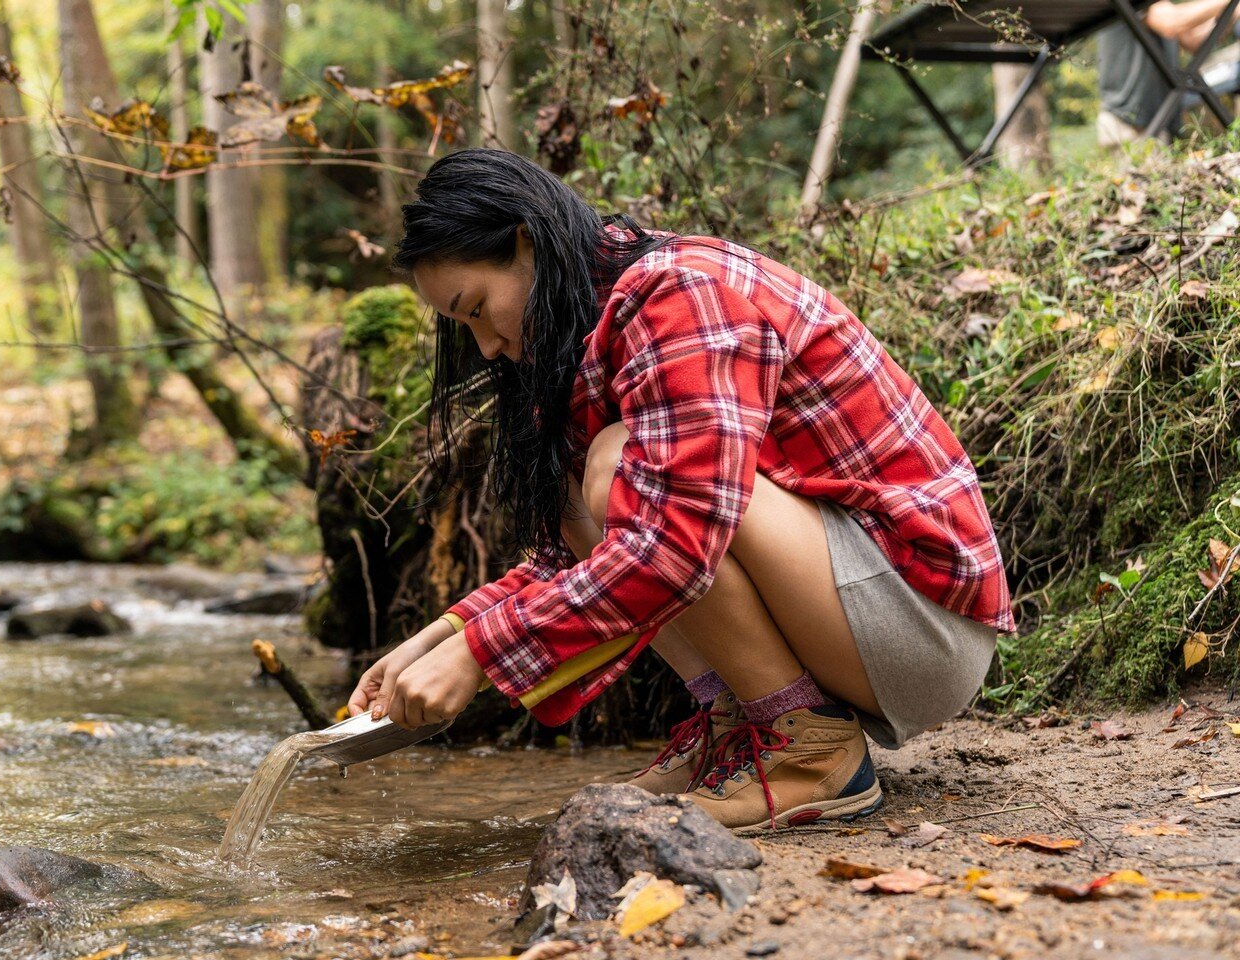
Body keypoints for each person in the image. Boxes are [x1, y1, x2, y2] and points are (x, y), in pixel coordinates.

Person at [344, 149, 1013, 831]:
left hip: (923, 626)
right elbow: (578, 558)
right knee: (583, 488)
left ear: (525, 240)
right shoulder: (600, 326)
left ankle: (810, 753)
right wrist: (443, 636)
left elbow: (673, 542)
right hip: (854, 603)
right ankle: (739, 731)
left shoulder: (677, 293)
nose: (485, 346)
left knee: (618, 465)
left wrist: (481, 654)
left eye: (479, 308)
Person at [1096, 0, 1239, 147]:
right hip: (1128, 124)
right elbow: (1172, 22)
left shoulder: (1159, 7)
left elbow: (1193, 40)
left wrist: (1232, 12)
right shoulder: (1153, 9)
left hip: (1158, 121)